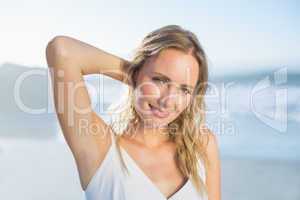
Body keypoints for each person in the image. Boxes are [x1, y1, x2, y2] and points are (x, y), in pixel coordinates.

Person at [46, 25, 221, 200]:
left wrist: (142, 76)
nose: (168, 101)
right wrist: (132, 72)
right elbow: (62, 50)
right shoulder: (99, 148)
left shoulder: (201, 146)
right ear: (136, 74)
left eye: (184, 90)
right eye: (159, 80)